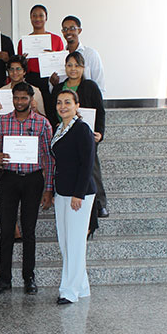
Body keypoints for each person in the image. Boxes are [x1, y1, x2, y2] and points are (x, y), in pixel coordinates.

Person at [0, 82, 54, 296]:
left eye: (23, 98)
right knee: (6, 230)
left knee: (29, 230)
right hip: (8, 179)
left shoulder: (43, 124)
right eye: (16, 98)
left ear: (31, 99)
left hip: (33, 180)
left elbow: (48, 158)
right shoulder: (4, 122)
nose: (19, 102)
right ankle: (4, 279)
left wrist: (48, 188)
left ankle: (29, 277)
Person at [51, 90, 96, 304]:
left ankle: (69, 291)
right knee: (66, 242)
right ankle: (82, 286)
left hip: (79, 194)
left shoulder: (82, 129)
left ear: (77, 105)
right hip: (62, 191)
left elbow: (87, 164)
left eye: (68, 102)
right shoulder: (60, 128)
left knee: (75, 243)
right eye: (59, 103)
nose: (63, 106)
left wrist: (78, 193)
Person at [51, 51, 107, 222]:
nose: (73, 69)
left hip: (86, 134)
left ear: (83, 68)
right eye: (69, 65)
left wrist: (100, 133)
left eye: (77, 65)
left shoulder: (90, 86)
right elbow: (54, 113)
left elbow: (100, 111)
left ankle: (99, 203)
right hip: (64, 134)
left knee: (91, 168)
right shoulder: (59, 87)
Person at [17, 4, 64, 116]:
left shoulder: (56, 39)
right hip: (31, 80)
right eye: (34, 16)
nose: (37, 19)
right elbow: (19, 67)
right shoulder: (23, 42)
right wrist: (24, 62)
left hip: (50, 80)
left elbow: (62, 65)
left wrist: (53, 58)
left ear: (46, 18)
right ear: (30, 18)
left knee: (51, 112)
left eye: (40, 16)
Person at [0, 56, 45, 124]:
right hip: (8, 131)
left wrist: (36, 110)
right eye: (11, 69)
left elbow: (44, 119)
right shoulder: (0, 92)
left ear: (24, 71)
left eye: (18, 69)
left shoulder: (35, 91)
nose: (15, 72)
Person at [57, 15, 105, 93]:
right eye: (65, 29)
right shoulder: (59, 56)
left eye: (72, 28)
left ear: (79, 30)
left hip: (87, 102)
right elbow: (55, 86)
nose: (68, 32)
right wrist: (53, 82)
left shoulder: (91, 54)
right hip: (65, 102)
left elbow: (99, 84)